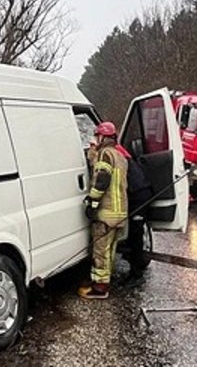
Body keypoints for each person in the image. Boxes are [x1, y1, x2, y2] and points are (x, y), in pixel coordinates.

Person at [78, 121, 127, 300]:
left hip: (106, 213)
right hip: (119, 212)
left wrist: (92, 202)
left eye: (97, 136)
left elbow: (101, 180)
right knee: (109, 250)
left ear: (103, 137)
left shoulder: (105, 154)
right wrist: (93, 154)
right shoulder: (118, 155)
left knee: (100, 250)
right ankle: (103, 282)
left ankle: (99, 288)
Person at [120, 144, 153, 285]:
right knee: (134, 236)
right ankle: (133, 270)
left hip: (139, 196)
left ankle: (137, 275)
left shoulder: (114, 156)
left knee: (136, 236)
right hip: (138, 193)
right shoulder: (121, 153)